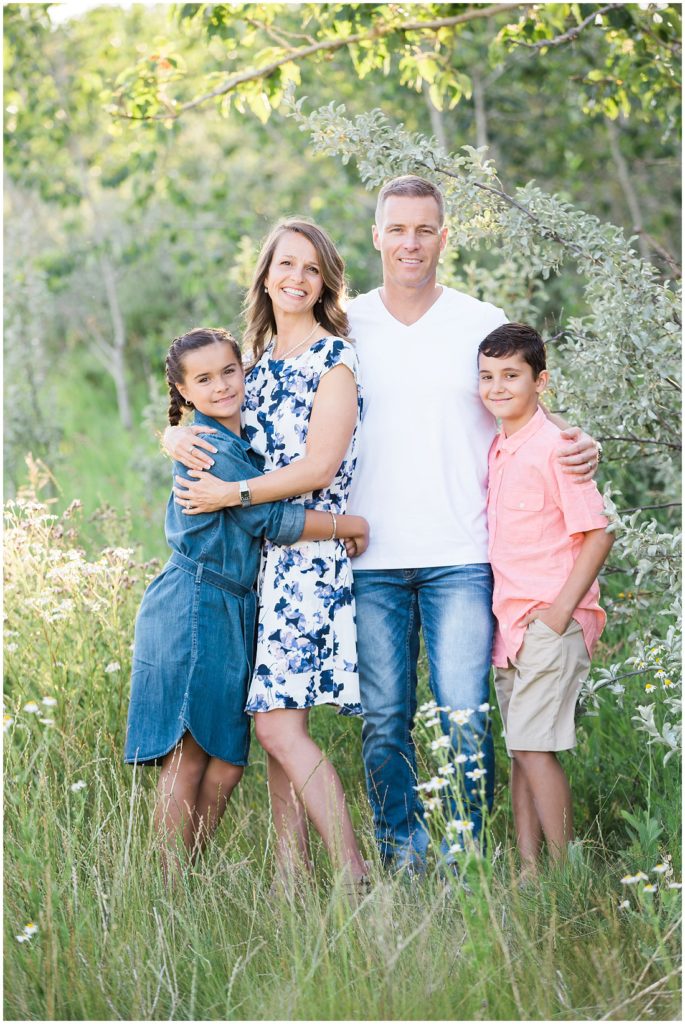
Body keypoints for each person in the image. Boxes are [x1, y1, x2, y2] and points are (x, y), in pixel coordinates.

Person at [166, 177, 600, 872]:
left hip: (462, 552)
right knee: (384, 726)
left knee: (463, 716)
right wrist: (170, 436)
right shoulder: (345, 325)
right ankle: (403, 855)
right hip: (364, 562)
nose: (409, 241)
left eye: (424, 229)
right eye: (396, 228)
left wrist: (582, 444)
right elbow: (233, 390)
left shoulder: (475, 319)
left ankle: (464, 863)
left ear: (443, 237)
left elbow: (521, 398)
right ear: (375, 236)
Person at [165, 223, 369, 891]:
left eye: (312, 268)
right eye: (286, 264)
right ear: (264, 274)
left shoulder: (333, 358)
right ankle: (290, 880)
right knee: (277, 720)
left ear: (325, 281)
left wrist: (234, 492)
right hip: (257, 566)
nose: (297, 277)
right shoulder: (254, 361)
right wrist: (173, 437)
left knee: (281, 728)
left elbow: (319, 463)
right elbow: (208, 409)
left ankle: (353, 873)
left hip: (306, 558)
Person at [477, 322, 613, 875]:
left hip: (550, 621)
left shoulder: (559, 448)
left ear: (541, 380)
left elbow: (599, 533)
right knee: (520, 748)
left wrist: (559, 614)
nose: (497, 387)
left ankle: (566, 871)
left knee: (535, 747)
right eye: (487, 377)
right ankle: (530, 869)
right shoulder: (498, 447)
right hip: (510, 626)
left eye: (511, 375)